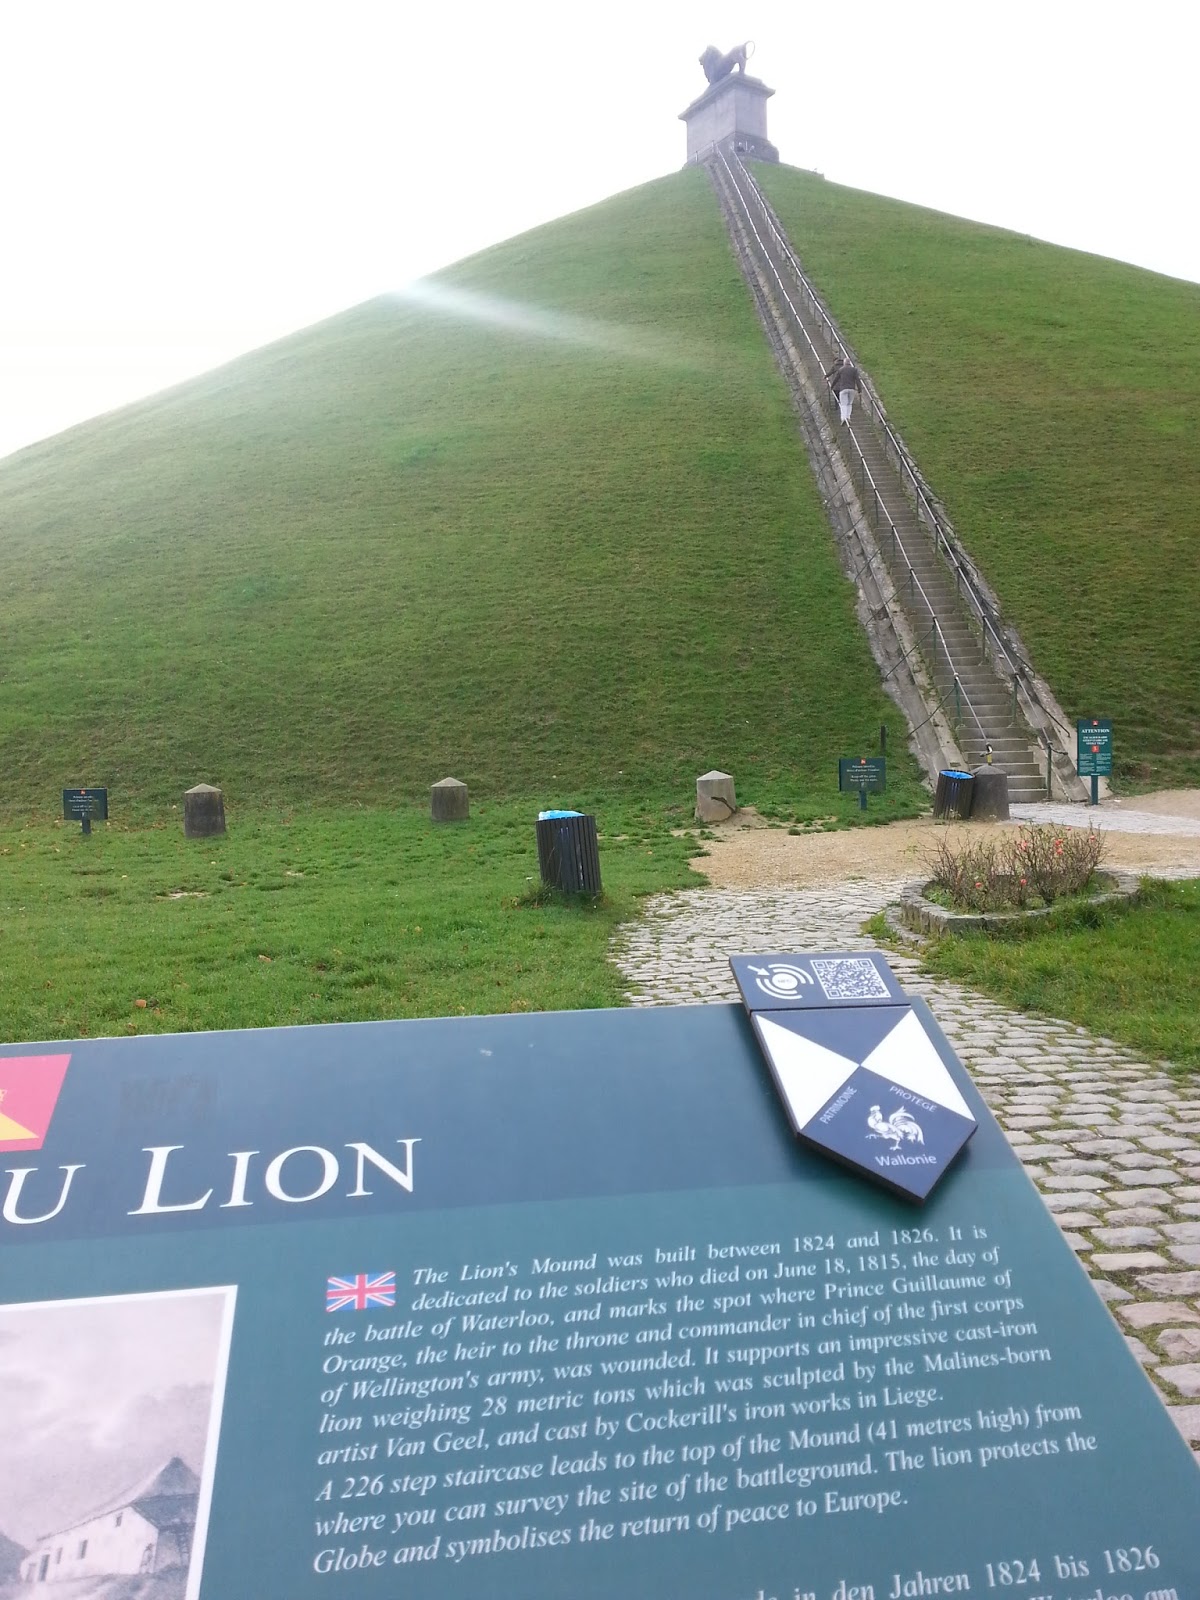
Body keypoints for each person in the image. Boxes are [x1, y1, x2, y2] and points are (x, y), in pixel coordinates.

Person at [824, 355, 860, 425]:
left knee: (843, 404)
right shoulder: (854, 370)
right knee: (849, 404)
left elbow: (836, 379)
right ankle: (848, 417)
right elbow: (857, 380)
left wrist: (832, 386)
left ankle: (843, 418)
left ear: (844, 363)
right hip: (852, 389)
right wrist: (859, 390)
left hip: (843, 389)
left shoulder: (841, 370)